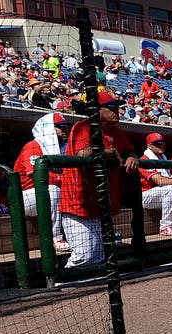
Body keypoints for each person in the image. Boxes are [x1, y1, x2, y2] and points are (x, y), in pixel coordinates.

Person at [59, 92, 138, 268]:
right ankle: (63, 280)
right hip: (78, 202)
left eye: (117, 107)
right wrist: (109, 151)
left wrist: (132, 157)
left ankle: (89, 283)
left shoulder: (118, 132)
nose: (117, 111)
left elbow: (129, 150)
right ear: (97, 110)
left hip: (101, 204)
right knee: (84, 255)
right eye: (111, 107)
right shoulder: (83, 127)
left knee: (99, 255)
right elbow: (83, 153)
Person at [13, 112, 72, 252]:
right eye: (60, 127)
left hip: (46, 196)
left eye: (66, 127)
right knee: (53, 190)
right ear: (48, 128)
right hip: (25, 197)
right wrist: (64, 178)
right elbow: (37, 176)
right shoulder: (33, 146)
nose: (65, 130)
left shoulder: (63, 148)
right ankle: (56, 238)